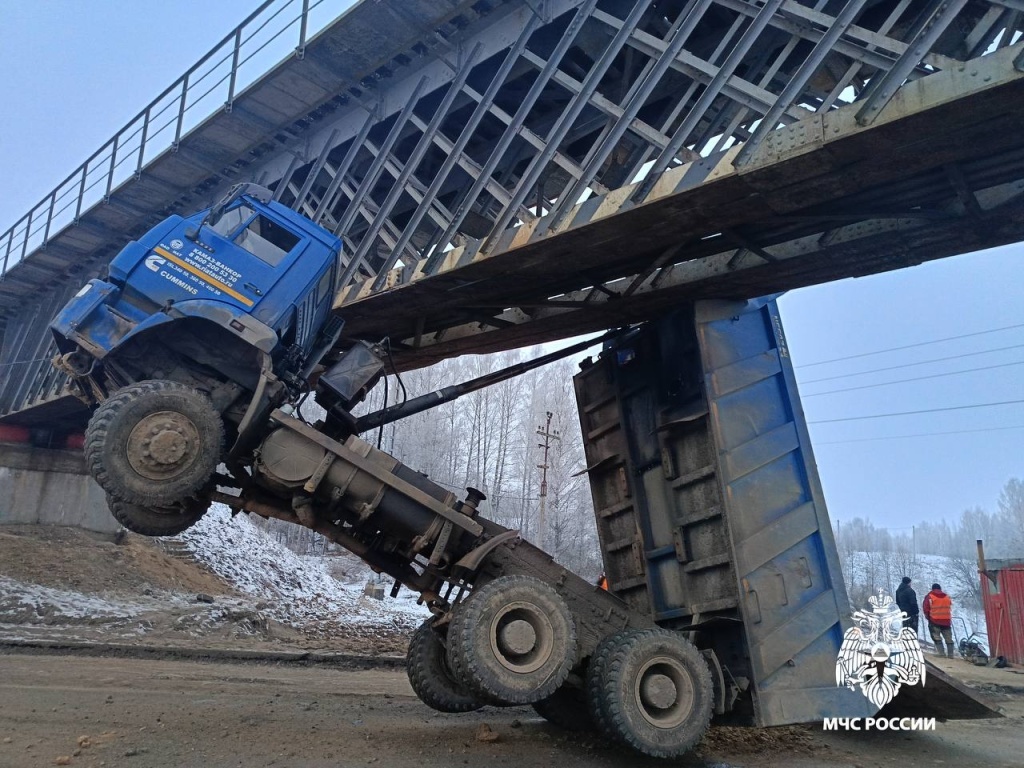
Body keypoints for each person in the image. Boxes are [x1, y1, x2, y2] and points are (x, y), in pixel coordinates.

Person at [923, 582, 954, 658]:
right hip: (946, 621)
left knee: (936, 637)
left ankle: (941, 653)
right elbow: (950, 606)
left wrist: (928, 617)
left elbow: (926, 608)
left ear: (933, 589)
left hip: (935, 620)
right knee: (948, 638)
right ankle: (950, 654)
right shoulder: (947, 597)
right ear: (940, 589)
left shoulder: (930, 596)